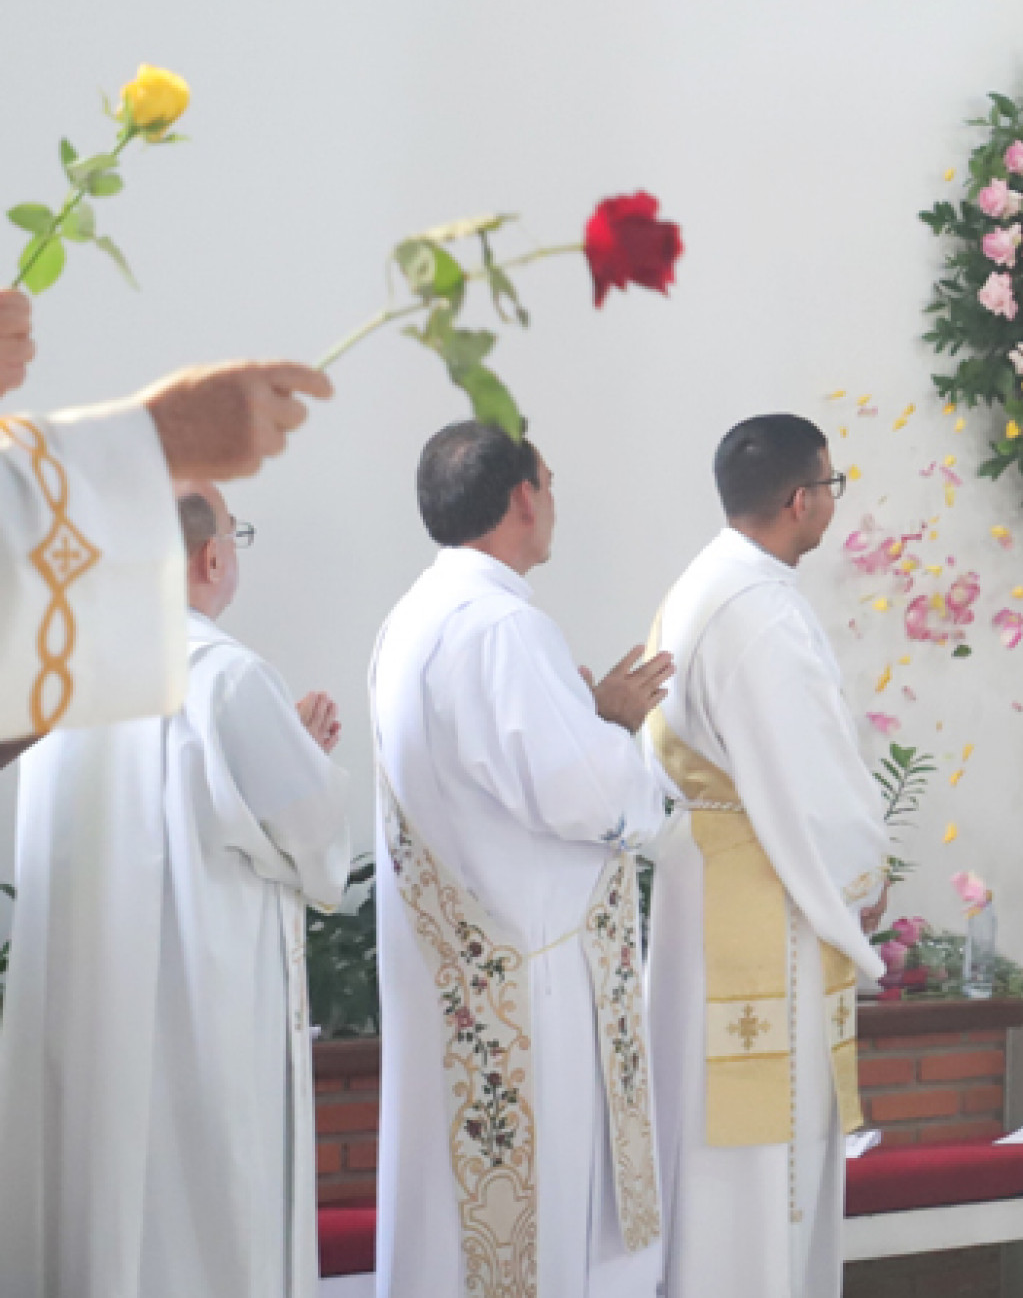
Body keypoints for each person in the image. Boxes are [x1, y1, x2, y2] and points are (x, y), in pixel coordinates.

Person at [0, 479, 347, 1297]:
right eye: (236, 533)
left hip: (89, 1029)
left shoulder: (56, 683)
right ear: (210, 557)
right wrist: (303, 755)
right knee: (204, 1225)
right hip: (200, 1029)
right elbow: (315, 839)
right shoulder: (227, 677)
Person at [370, 422, 676, 1298]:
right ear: (522, 499)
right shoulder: (504, 626)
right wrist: (616, 724)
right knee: (535, 1236)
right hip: (529, 989)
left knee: (452, 1231)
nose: (553, 502)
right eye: (550, 482)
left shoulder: (414, 616)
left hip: (464, 977)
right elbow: (595, 799)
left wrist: (582, 721)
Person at [645, 416, 892, 1298]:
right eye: (831, 485)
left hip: (709, 871)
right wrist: (864, 875)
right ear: (800, 499)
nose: (831, 501)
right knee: (760, 1145)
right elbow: (810, 773)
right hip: (757, 883)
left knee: (707, 1124)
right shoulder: (759, 608)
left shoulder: (703, 582)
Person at [0, 294, 335, 758]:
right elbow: (293, 807)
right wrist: (153, 436)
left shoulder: (76, 666)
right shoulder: (230, 674)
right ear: (212, 558)